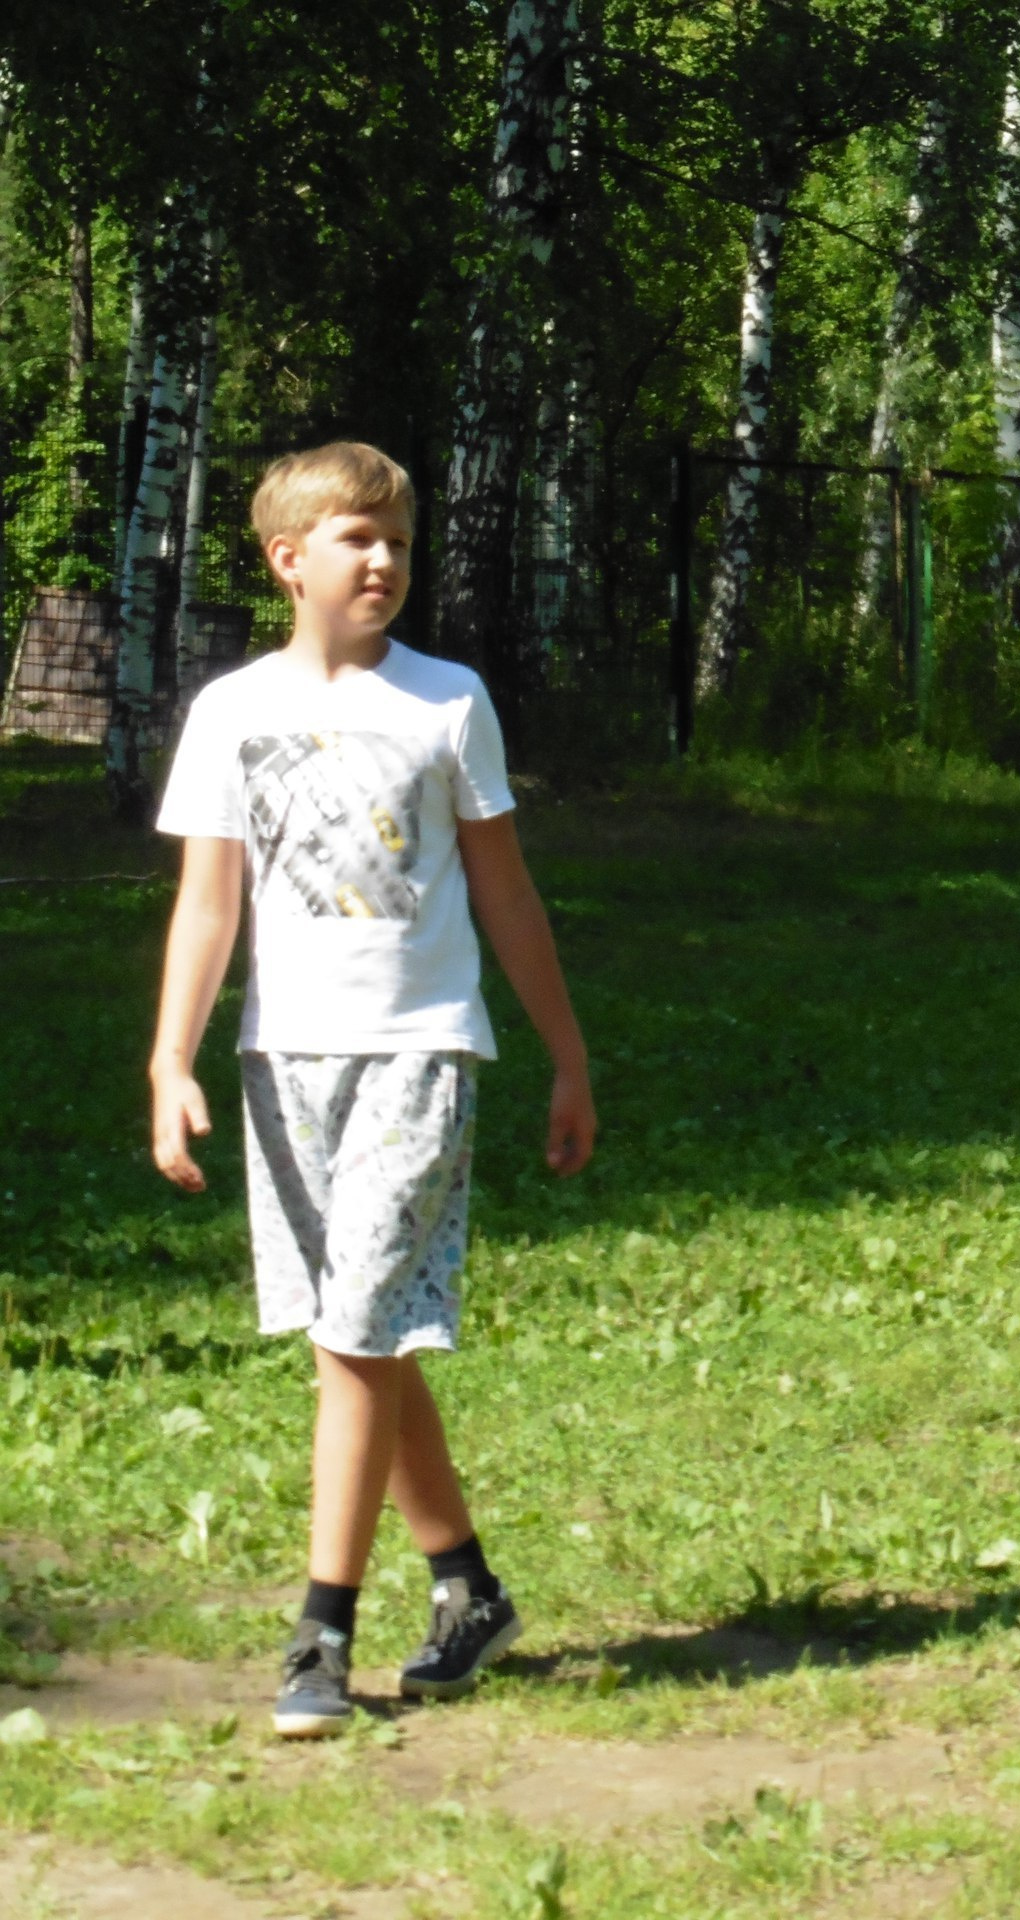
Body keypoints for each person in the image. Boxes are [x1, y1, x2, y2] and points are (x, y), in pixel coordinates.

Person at [148, 442, 597, 1738]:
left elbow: (507, 892)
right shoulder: (230, 712)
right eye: (357, 538)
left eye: (398, 539)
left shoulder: (448, 703)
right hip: (281, 1062)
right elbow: (207, 903)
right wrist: (172, 1057)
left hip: (420, 1048)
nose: (386, 560)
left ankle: (320, 1634)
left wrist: (566, 1054)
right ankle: (467, 1588)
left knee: (355, 1335)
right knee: (361, 1334)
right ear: (290, 559)